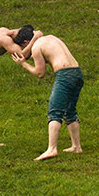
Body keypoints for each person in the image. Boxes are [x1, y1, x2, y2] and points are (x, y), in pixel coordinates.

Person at [11, 29, 85, 161]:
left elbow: (40, 73)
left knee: (54, 111)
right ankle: (76, 147)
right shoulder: (52, 37)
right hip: (77, 73)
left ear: (26, 42)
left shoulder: (37, 46)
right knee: (70, 110)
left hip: (65, 75)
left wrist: (23, 64)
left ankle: (52, 149)